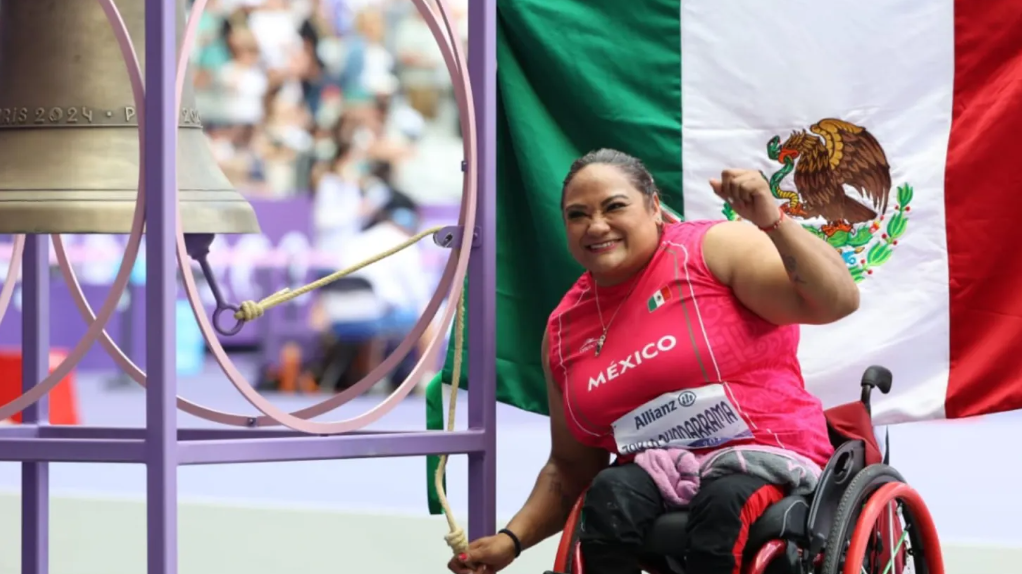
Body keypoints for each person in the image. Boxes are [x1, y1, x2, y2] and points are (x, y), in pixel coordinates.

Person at [447, 149, 861, 574]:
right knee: (609, 491)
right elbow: (570, 468)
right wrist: (511, 541)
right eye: (577, 215)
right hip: (655, 474)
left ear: (654, 206)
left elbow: (838, 301)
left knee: (723, 502)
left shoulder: (711, 249)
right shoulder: (563, 329)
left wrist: (772, 222)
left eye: (615, 206)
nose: (597, 226)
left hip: (763, 458)